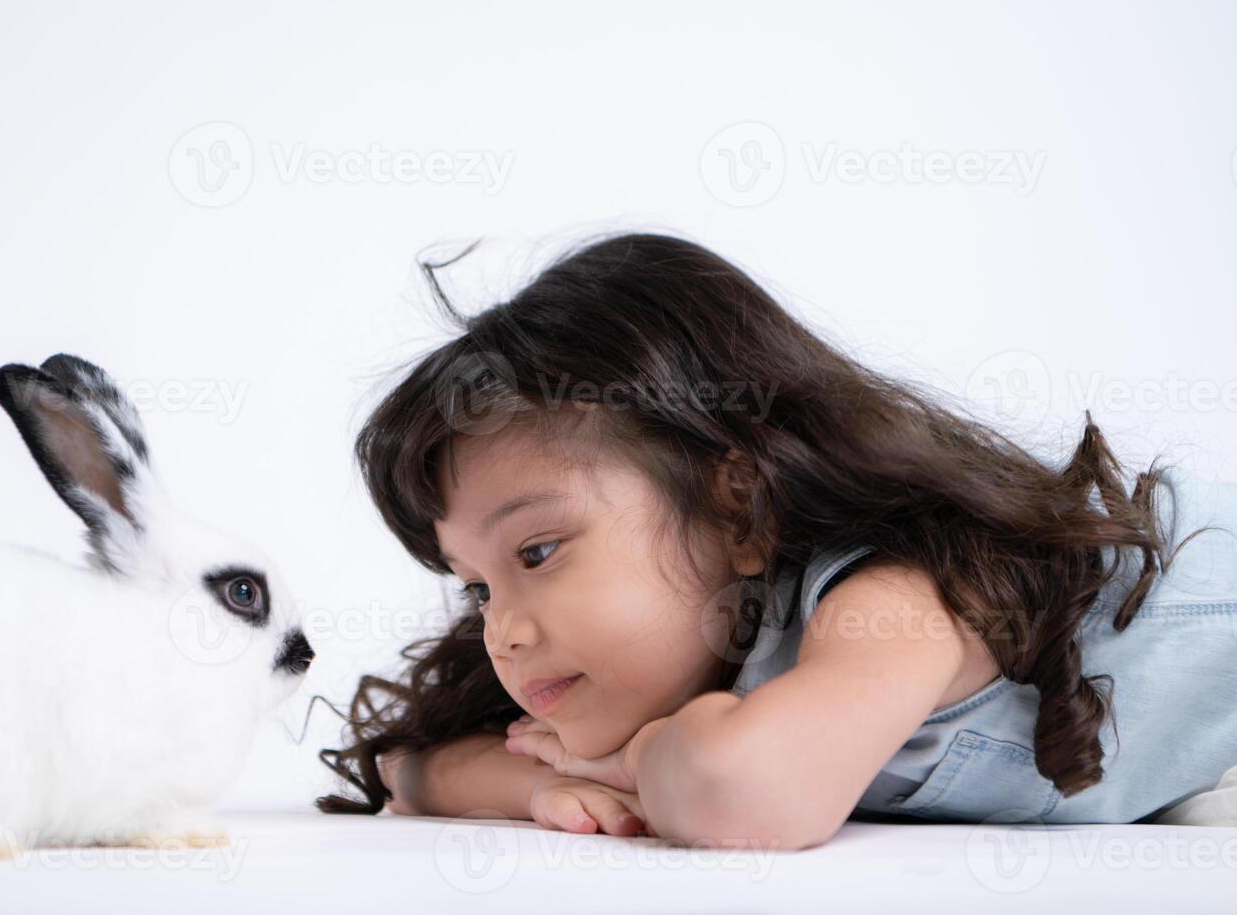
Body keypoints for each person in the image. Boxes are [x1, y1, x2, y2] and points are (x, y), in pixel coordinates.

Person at [315, 232, 1237, 849]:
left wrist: (640, 764)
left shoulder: (900, 594)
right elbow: (413, 768)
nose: (500, 631)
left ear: (740, 511)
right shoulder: (670, 661)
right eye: (476, 587)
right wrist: (537, 788)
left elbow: (739, 789)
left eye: (538, 553)